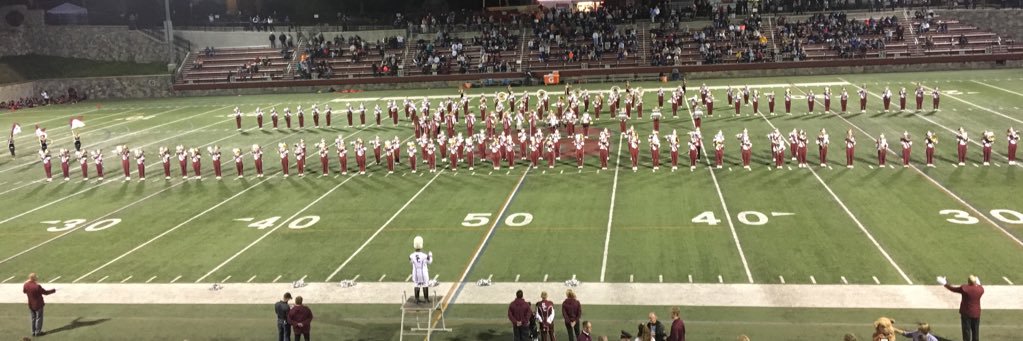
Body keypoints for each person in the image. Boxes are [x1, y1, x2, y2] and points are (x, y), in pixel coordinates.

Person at [939, 275, 984, 341]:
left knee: (966, 331)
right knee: (975, 331)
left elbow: (953, 289)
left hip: (966, 313)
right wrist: (978, 283)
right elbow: (979, 286)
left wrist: (945, 284)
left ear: (968, 281)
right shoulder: (981, 289)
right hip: (976, 313)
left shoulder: (965, 288)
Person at [410, 236, 433, 303]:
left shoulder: (411, 255)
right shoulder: (424, 255)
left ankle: (416, 299)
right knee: (425, 284)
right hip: (423, 272)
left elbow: (411, 262)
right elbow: (430, 261)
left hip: (415, 272)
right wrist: (430, 255)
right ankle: (426, 299)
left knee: (416, 284)